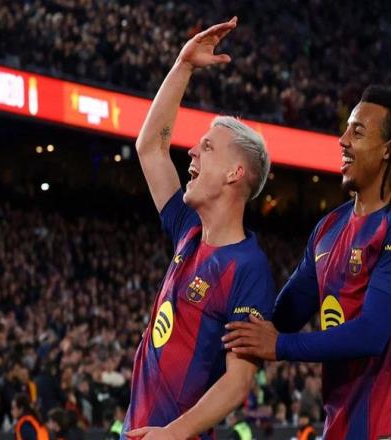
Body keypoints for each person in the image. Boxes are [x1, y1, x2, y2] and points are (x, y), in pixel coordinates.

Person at [224, 85, 391, 439]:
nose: (342, 140)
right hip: (338, 424)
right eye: (345, 129)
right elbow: (283, 317)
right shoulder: (328, 228)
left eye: (357, 132)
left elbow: (370, 334)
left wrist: (280, 346)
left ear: (389, 149)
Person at [122, 16, 275, 440]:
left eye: (206, 147)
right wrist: (183, 65)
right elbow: (150, 147)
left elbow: (237, 382)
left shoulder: (249, 269)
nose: (191, 150)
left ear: (234, 173)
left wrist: (173, 433)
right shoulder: (187, 230)